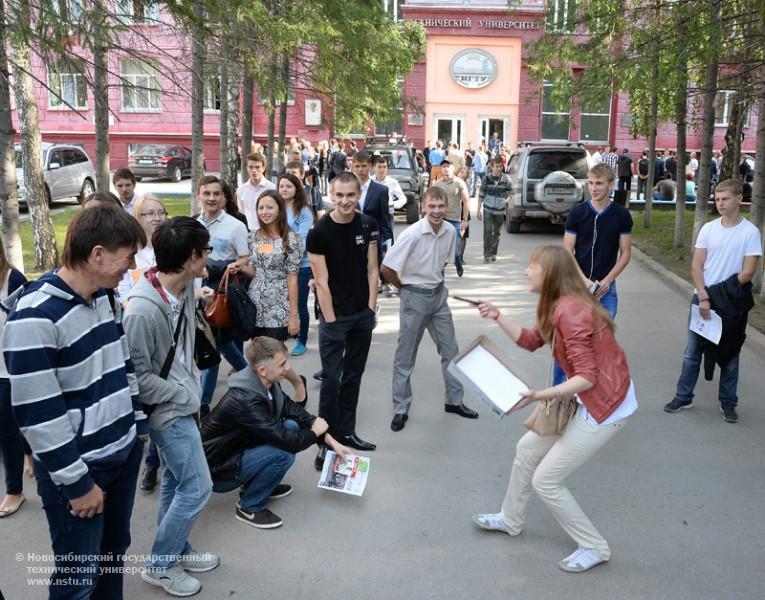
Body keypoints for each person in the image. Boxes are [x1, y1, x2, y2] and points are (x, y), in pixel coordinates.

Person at [3, 207, 147, 598]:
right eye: (127, 256)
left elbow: (123, 365)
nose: (131, 267)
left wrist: (137, 428)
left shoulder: (105, 298)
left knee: (113, 555)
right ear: (97, 254)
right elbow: (37, 416)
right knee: (77, 582)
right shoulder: (34, 317)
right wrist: (77, 483)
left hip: (122, 455)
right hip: (82, 473)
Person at [472, 245, 637, 574]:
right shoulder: (556, 304)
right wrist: (498, 314)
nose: (525, 272)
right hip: (587, 398)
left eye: (531, 266)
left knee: (547, 480)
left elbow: (587, 378)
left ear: (547, 273)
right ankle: (510, 519)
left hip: (605, 407)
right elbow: (532, 340)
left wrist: (541, 395)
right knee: (526, 450)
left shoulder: (571, 311)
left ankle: (594, 546)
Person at [124, 217, 218, 596]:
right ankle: (160, 564)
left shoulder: (185, 284)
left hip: (182, 400)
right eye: (206, 250)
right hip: (169, 411)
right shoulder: (140, 312)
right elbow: (138, 377)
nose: (209, 256)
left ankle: (176, 548)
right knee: (198, 487)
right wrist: (186, 396)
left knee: (177, 483)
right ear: (192, 257)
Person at [201, 337, 349, 528]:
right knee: (284, 454)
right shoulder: (245, 400)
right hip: (218, 470)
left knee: (292, 426)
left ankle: (255, 485)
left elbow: (296, 413)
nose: (287, 368)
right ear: (262, 370)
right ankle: (249, 506)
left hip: (238, 449)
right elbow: (289, 442)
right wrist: (313, 434)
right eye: (282, 364)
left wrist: (333, 443)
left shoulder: (264, 382)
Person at [381, 187, 478, 432]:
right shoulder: (412, 234)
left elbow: (441, 264)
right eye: (431, 206)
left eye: (441, 206)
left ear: (448, 207)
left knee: (451, 351)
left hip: (438, 298)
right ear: (423, 206)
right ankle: (400, 407)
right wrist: (404, 291)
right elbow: (387, 268)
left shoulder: (449, 232)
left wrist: (436, 288)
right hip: (414, 297)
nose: (436, 211)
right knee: (405, 357)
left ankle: (454, 401)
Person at [664, 179, 761, 423]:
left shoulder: (750, 232)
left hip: (732, 303)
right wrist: (704, 295)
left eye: (725, 198)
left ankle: (728, 402)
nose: (720, 203)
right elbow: (697, 265)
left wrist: (720, 293)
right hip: (703, 299)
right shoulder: (708, 228)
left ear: (739, 199)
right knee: (693, 352)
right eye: (717, 199)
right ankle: (683, 396)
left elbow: (748, 271)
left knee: (730, 354)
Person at [307, 171, 379, 466]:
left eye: (351, 195)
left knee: (353, 375)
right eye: (340, 195)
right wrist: (332, 319)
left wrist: (371, 309)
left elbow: (372, 269)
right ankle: (325, 441)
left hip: (363, 315)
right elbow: (320, 282)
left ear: (358, 194)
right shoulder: (319, 232)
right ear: (332, 195)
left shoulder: (368, 224)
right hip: (335, 318)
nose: (345, 201)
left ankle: (347, 432)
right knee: (331, 379)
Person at [195, 175, 250, 416]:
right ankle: (255, 379)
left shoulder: (235, 226)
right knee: (222, 345)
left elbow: (246, 260)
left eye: (216, 194)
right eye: (207, 193)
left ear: (224, 198)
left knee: (214, 345)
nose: (211, 198)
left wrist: (216, 267)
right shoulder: (194, 225)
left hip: (222, 298)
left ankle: (203, 404)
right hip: (198, 294)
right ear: (199, 195)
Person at [564, 163, 632, 320]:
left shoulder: (621, 215)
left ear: (611, 184)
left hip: (606, 287)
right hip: (578, 284)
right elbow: (567, 249)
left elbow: (626, 252)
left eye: (599, 183)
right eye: (591, 183)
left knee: (603, 336)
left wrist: (608, 280)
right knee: (577, 334)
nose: (594, 188)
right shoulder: (577, 212)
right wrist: (584, 281)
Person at [0, 244, 28, 519]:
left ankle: (14, 491)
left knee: (7, 429)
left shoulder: (13, 279)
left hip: (8, 369)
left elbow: (27, 322)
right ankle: (29, 451)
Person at [279, 173, 315, 356]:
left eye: (288, 186)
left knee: (299, 304)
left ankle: (302, 339)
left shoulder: (304, 212)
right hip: (280, 265)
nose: (284, 189)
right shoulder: (276, 209)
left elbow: (300, 242)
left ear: (296, 189)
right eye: (282, 186)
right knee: (284, 302)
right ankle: (289, 331)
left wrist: (279, 243)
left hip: (302, 266)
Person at [433, 160, 469, 277]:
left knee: (457, 250)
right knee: (440, 247)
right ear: (441, 169)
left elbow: (466, 201)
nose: (446, 168)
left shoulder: (459, 183)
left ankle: (458, 263)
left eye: (448, 166)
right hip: (440, 219)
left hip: (455, 220)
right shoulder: (437, 184)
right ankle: (440, 272)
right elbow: (431, 200)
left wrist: (465, 220)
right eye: (443, 166)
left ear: (453, 168)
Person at [478, 158, 512, 263]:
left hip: (500, 210)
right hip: (487, 208)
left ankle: (493, 253)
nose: (499, 168)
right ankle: (486, 254)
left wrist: (506, 201)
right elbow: (481, 194)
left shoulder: (506, 179)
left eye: (500, 166)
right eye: (496, 166)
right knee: (487, 231)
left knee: (496, 232)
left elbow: (511, 193)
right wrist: (478, 209)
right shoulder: (486, 178)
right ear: (491, 167)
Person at [237, 152, 276, 231]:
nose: (254, 170)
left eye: (257, 167)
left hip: (267, 231)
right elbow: (241, 213)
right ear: (246, 168)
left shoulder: (272, 188)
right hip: (247, 231)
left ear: (263, 168)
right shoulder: (241, 190)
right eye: (251, 167)